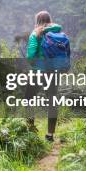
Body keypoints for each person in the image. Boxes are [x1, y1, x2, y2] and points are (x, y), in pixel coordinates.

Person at [26, 10, 65, 142]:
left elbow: (30, 57)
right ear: (50, 20)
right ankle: (50, 135)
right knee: (52, 102)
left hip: (38, 72)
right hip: (54, 72)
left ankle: (30, 129)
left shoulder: (35, 34)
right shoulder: (59, 33)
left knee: (29, 100)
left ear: (37, 21)